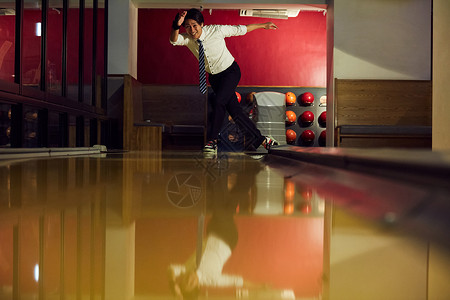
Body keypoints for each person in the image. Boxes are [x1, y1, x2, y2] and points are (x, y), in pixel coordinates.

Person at [169, 8, 279, 153]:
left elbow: (242, 29)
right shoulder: (188, 39)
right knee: (235, 112)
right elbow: (173, 40)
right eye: (188, 27)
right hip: (215, 78)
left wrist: (263, 25)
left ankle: (212, 141)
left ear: (202, 24)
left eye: (195, 25)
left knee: (219, 101)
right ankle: (263, 140)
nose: (192, 30)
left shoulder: (217, 30)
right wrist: (176, 25)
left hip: (230, 72)